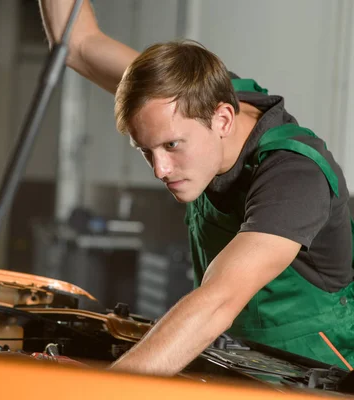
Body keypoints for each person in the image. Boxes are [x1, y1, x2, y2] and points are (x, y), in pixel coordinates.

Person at [39, 0, 354, 376]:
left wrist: (109, 390)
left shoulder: (293, 178)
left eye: (171, 145)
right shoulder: (187, 98)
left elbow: (219, 300)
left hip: (321, 375)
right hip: (240, 359)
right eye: (146, 151)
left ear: (222, 119)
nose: (160, 169)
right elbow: (77, 44)